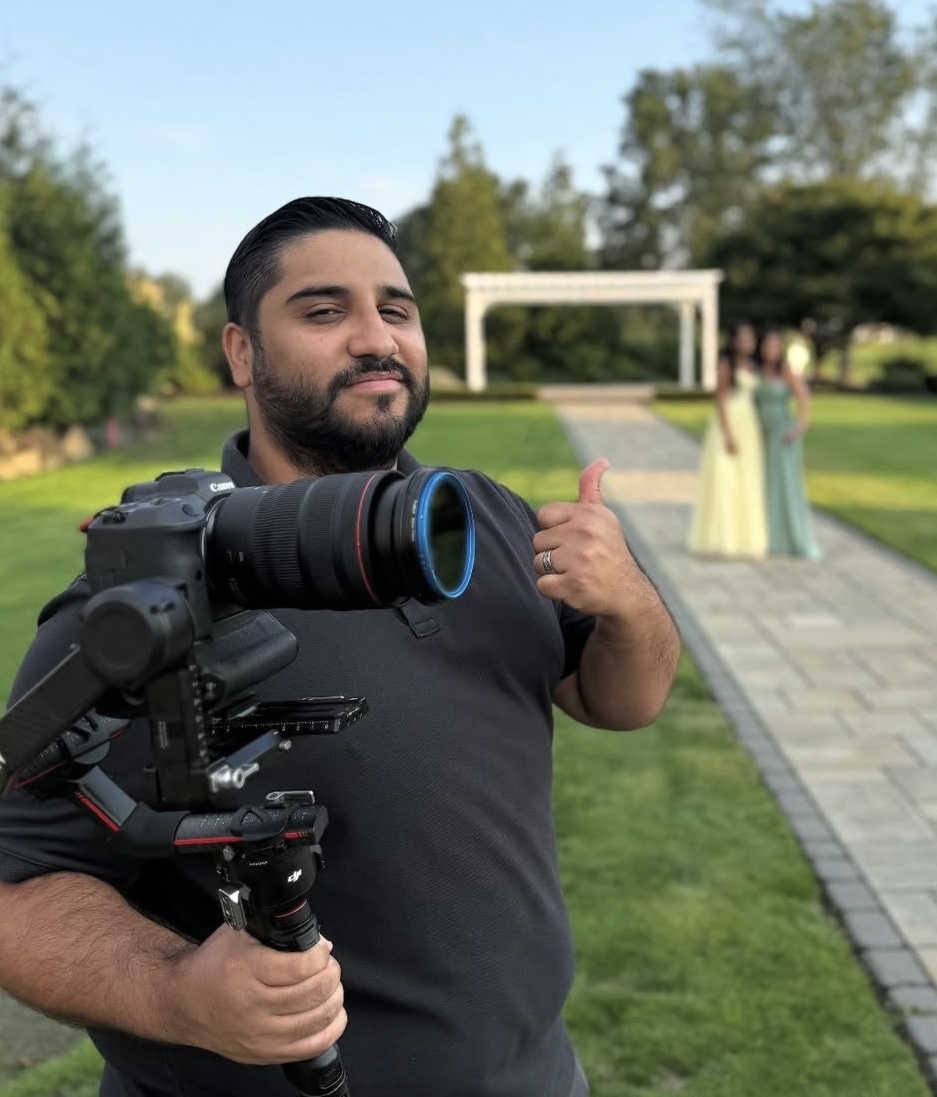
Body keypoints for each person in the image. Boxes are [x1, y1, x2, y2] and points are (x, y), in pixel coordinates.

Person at [0, 196, 681, 1097]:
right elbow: (16, 888)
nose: (375, 338)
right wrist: (179, 995)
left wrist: (631, 605)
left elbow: (618, 700)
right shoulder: (151, 595)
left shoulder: (479, 511)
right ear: (242, 352)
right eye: (325, 311)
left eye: (395, 310)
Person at [688, 319, 768, 558]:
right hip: (729, 423)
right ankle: (721, 538)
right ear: (733, 341)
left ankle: (745, 539)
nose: (747, 343)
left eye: (750, 338)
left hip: (749, 425)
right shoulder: (726, 365)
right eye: (742, 338)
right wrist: (728, 433)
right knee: (726, 480)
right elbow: (720, 400)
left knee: (747, 480)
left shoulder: (753, 365)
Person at [753, 325, 823, 559]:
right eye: (767, 345)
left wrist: (798, 428)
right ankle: (764, 534)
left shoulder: (786, 371)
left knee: (784, 485)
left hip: (782, 434)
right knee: (765, 484)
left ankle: (787, 538)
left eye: (775, 345)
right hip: (761, 434)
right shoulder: (756, 371)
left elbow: (804, 398)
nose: (771, 349)